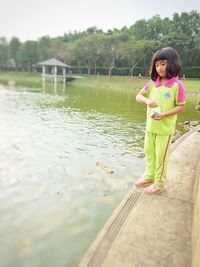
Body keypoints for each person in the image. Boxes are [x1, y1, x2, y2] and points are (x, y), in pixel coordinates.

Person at [134, 47, 186, 195]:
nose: (159, 68)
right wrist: (147, 101)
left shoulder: (177, 85)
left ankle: (159, 182)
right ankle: (149, 177)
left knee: (161, 157)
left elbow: (181, 107)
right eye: (157, 65)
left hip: (164, 129)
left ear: (172, 63)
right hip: (150, 127)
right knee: (149, 153)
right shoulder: (152, 83)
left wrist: (164, 115)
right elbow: (138, 96)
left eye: (163, 63)